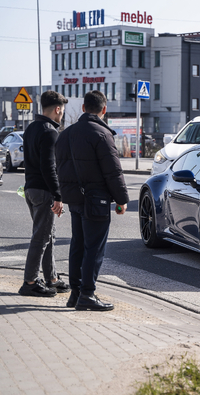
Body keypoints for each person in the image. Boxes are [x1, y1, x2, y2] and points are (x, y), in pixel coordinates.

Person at [55, 90, 129, 311]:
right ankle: (87, 294)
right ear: (103, 110)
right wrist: (122, 200)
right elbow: (113, 172)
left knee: (77, 245)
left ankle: (75, 293)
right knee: (93, 248)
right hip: (96, 200)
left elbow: (60, 168)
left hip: (75, 199)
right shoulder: (102, 134)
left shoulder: (66, 134)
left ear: (83, 108)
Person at [18, 90, 70, 297]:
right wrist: (58, 196)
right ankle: (30, 282)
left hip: (30, 189)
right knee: (41, 238)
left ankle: (52, 278)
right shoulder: (49, 131)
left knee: (48, 235)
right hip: (44, 192)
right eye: (62, 110)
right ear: (57, 109)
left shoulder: (31, 128)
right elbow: (49, 167)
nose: (62, 114)